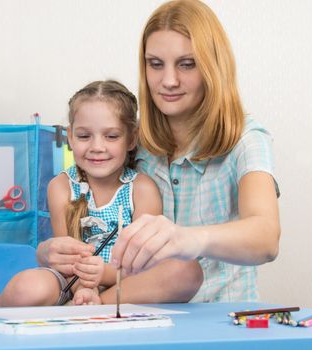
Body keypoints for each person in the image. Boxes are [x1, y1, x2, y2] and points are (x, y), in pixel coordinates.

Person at [110, 0, 281, 303]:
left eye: (186, 64)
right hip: (148, 321)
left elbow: (266, 237)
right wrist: (55, 249)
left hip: (222, 325)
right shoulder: (133, 142)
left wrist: (189, 239)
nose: (169, 80)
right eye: (155, 64)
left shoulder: (246, 140)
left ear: (212, 66)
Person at [0, 80, 203, 307]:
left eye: (111, 136)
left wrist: (103, 276)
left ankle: (92, 306)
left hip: (123, 283)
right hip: (69, 282)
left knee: (185, 270)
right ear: (70, 137)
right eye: (84, 136)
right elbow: (66, 260)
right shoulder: (61, 186)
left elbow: (142, 262)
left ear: (131, 139)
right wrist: (84, 288)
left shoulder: (143, 189)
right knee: (27, 286)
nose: (97, 147)